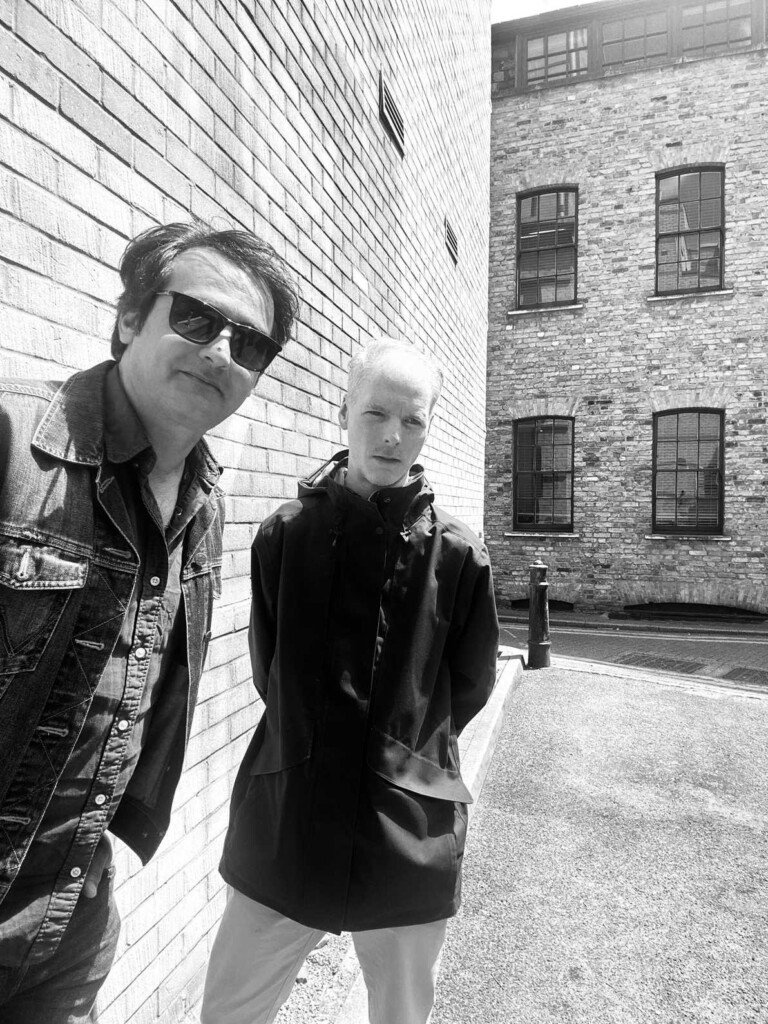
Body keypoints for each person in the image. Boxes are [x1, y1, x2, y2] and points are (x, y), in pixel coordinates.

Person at [0, 220, 299, 1022]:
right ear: (131, 317)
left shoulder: (204, 506)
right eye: (196, 318)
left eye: (251, 344)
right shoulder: (12, 441)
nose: (221, 351)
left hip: (71, 923)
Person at [202, 339, 499, 1024]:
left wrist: (403, 751)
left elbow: (467, 687)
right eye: (376, 414)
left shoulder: (458, 556)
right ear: (344, 413)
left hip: (405, 831)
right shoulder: (284, 535)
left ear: (428, 428)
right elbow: (270, 668)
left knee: (401, 1014)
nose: (393, 435)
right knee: (229, 1010)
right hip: (286, 821)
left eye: (413, 420)